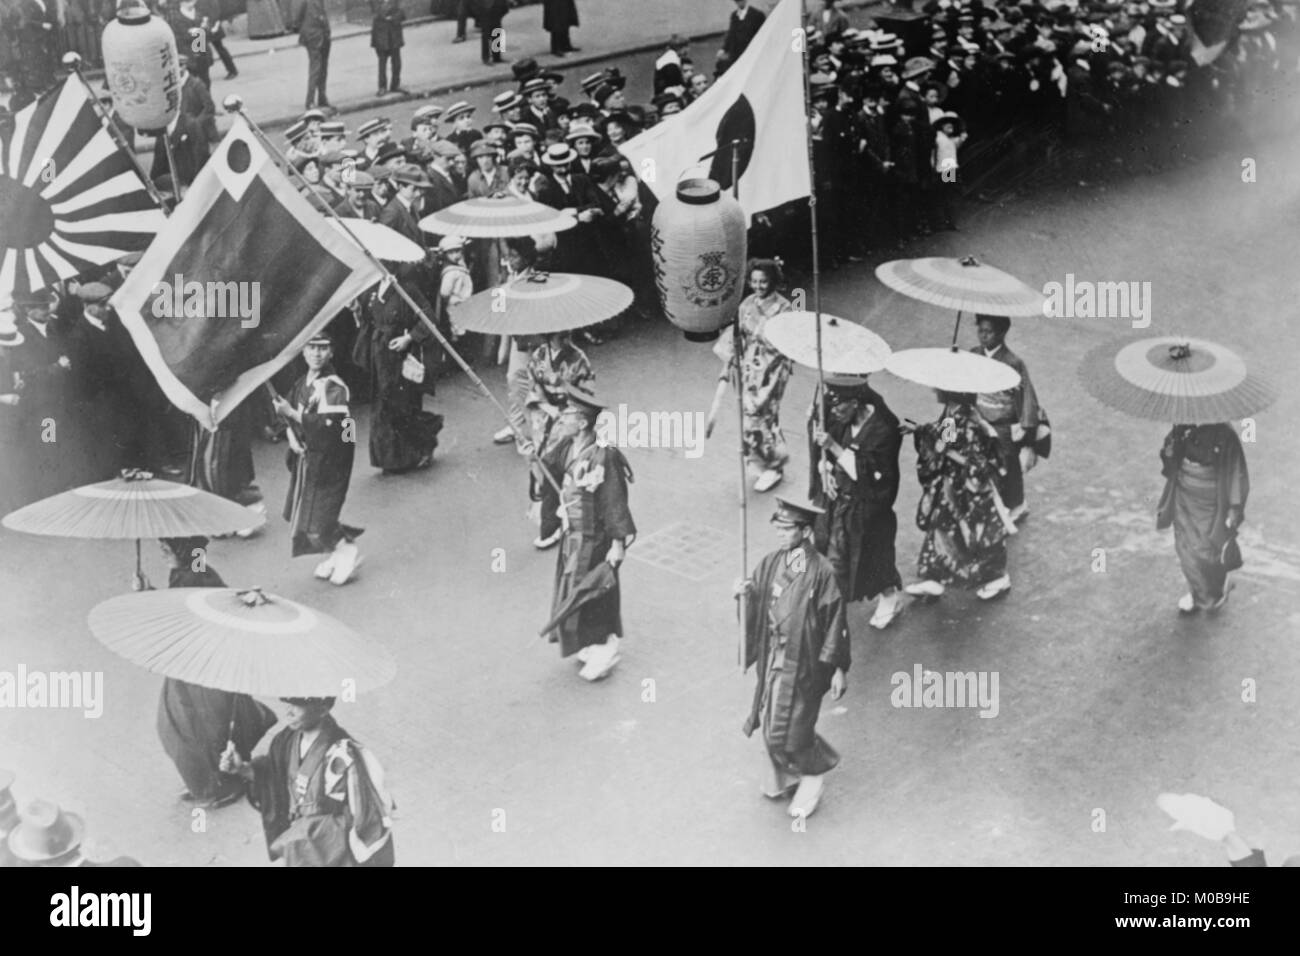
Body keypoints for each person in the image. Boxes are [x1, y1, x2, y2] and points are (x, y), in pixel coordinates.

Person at [735, 495, 849, 820]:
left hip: (806, 661)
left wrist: (839, 666)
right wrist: (744, 595)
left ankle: (813, 777)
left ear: (805, 531)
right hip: (776, 656)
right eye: (778, 526)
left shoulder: (822, 572)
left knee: (794, 727)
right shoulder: (772, 563)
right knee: (771, 721)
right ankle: (785, 777)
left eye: (787, 528)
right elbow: (756, 598)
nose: (781, 533)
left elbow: (835, 620)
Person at [146, 536, 278, 808]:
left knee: (195, 729)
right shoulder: (190, 569)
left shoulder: (192, 576)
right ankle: (207, 780)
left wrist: (146, 597)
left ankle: (221, 785)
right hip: (192, 665)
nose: (162, 552)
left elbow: (182, 614)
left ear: (181, 548)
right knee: (185, 727)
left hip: (202, 668)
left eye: (166, 547)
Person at [220, 696, 395, 867]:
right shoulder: (285, 740)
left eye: (297, 705)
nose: (288, 713)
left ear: (323, 709)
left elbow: (364, 818)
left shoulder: (342, 755)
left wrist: (311, 831)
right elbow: (273, 779)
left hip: (328, 851)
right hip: (298, 845)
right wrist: (243, 769)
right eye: (287, 703)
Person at [541, 385, 636, 682]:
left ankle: (605, 646)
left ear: (582, 422)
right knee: (573, 589)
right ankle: (587, 642)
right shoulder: (567, 447)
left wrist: (618, 543)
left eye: (567, 413)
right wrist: (534, 455)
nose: (562, 417)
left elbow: (614, 500)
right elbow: (549, 468)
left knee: (595, 591)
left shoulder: (604, 455)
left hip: (596, 538)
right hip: (573, 535)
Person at [809, 374, 905, 631]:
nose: (835, 413)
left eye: (840, 406)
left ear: (855, 403)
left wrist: (835, 448)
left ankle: (890, 597)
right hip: (839, 502)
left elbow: (877, 475)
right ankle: (830, 601)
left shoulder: (884, 429)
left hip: (869, 507)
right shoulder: (841, 420)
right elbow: (827, 455)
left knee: (874, 559)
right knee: (830, 552)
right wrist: (825, 472)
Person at [272, 333, 364, 585]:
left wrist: (291, 413)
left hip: (331, 458)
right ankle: (336, 552)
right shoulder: (302, 383)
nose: (317, 353)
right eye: (312, 348)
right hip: (307, 455)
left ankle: (346, 550)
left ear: (331, 352)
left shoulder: (334, 385)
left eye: (323, 348)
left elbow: (332, 426)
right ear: (303, 352)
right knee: (307, 511)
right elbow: (287, 417)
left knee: (320, 513)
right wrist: (290, 434)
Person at [904, 389, 1013, 601]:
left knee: (980, 533)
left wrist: (944, 450)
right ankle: (934, 577)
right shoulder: (954, 413)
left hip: (970, 487)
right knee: (942, 525)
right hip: (955, 484)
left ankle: (997, 577)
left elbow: (975, 460)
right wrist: (918, 429)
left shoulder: (967, 419)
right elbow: (945, 436)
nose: (934, 390)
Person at [712, 258, 793, 493]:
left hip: (772, 369)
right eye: (755, 281)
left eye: (764, 281)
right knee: (749, 414)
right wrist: (729, 358)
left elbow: (787, 340)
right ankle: (760, 461)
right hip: (748, 366)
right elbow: (736, 333)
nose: (759, 286)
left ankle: (774, 465)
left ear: (773, 281)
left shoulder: (784, 307)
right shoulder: (747, 303)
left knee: (763, 414)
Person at [1156, 422, 1249, 614]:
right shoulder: (1181, 428)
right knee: (1185, 546)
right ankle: (1198, 593)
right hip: (1184, 495)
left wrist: (1233, 508)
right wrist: (1170, 452)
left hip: (1211, 501)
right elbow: (1170, 463)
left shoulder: (1225, 433)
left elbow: (1235, 471)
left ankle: (1216, 586)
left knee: (1207, 550)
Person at [527, 331, 594, 549]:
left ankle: (553, 524)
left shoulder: (579, 359)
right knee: (542, 468)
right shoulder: (539, 355)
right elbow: (534, 386)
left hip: (569, 419)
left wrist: (565, 394)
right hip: (544, 416)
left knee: (559, 470)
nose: (564, 339)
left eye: (565, 335)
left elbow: (587, 395)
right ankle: (554, 519)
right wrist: (547, 406)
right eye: (558, 336)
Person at [971, 314, 1039, 523]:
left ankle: (1016, 504)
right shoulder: (973, 354)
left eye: (989, 332)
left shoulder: (1013, 362)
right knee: (979, 461)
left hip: (1003, 422)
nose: (983, 336)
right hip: (978, 417)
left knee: (1007, 463)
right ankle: (988, 504)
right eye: (981, 330)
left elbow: (1026, 396)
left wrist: (1026, 429)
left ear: (1001, 334)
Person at [294, 0, 332, 111]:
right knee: (315, 69)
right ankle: (310, 101)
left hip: (323, 36)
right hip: (314, 37)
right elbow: (298, 19)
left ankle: (322, 97)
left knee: (323, 69)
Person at [370, 0, 406, 96]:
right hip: (381, 33)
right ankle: (382, 87)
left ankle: (395, 84)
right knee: (382, 62)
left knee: (396, 62)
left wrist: (393, 17)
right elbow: (378, 12)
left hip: (394, 32)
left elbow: (402, 12)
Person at [721, 0, 766, 70]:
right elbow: (731, 34)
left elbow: (763, 36)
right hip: (736, 56)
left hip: (751, 55)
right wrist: (724, 49)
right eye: (737, 1)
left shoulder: (757, 15)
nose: (739, 2)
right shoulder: (734, 16)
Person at [478, 0, 508, 66]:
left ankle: (497, 57)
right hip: (485, 11)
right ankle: (485, 58)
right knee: (486, 36)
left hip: (497, 9)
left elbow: (504, 8)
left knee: (497, 33)